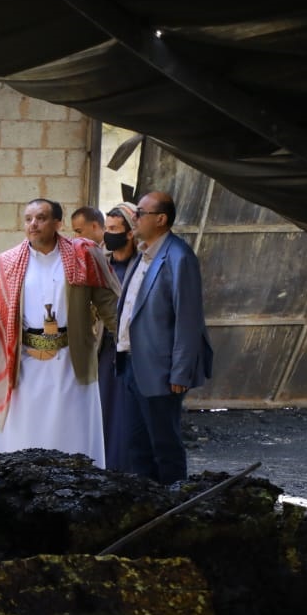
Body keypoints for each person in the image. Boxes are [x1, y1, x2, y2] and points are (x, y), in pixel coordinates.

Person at [0, 198, 118, 466]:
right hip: (26, 364)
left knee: (72, 434)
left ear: (57, 223)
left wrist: (130, 341)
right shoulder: (8, 262)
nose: (33, 224)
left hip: (71, 361)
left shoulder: (83, 255)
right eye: (28, 219)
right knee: (24, 436)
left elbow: (109, 305)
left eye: (41, 218)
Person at [115, 190, 213, 484]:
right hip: (131, 362)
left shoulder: (179, 257)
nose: (134, 218)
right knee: (137, 445)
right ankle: (147, 500)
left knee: (164, 446)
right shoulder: (143, 254)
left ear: (160, 219)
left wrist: (181, 371)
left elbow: (188, 320)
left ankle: (174, 500)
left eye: (140, 213)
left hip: (161, 370)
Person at [98, 202, 140, 472]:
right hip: (104, 349)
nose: (108, 234)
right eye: (106, 228)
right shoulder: (102, 264)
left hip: (134, 350)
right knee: (105, 407)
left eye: (114, 229)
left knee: (129, 411)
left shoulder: (143, 265)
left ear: (130, 233)